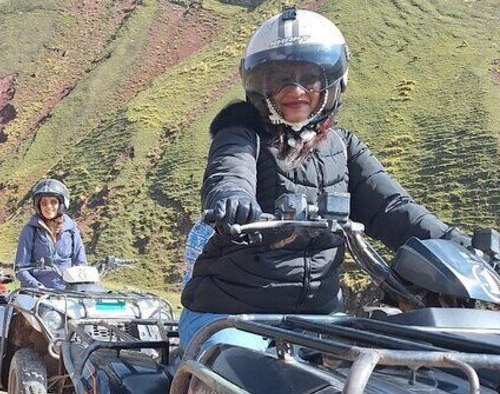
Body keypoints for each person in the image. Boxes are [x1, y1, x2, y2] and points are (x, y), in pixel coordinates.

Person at [180, 8, 469, 353]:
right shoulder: (242, 134)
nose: (295, 89)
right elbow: (229, 170)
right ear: (259, 83)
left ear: (331, 82)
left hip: (319, 318)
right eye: (280, 77)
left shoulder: (343, 147)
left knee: (378, 380)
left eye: (309, 77)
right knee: (232, 370)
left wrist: (460, 245)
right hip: (232, 313)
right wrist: (232, 199)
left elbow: (392, 209)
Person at [14, 179, 87, 290]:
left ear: (61, 204)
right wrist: (38, 286)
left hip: (69, 293)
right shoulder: (30, 230)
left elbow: (81, 263)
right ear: (38, 206)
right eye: (44, 203)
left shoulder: (71, 230)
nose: (48, 206)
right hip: (37, 294)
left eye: (53, 202)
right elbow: (20, 269)